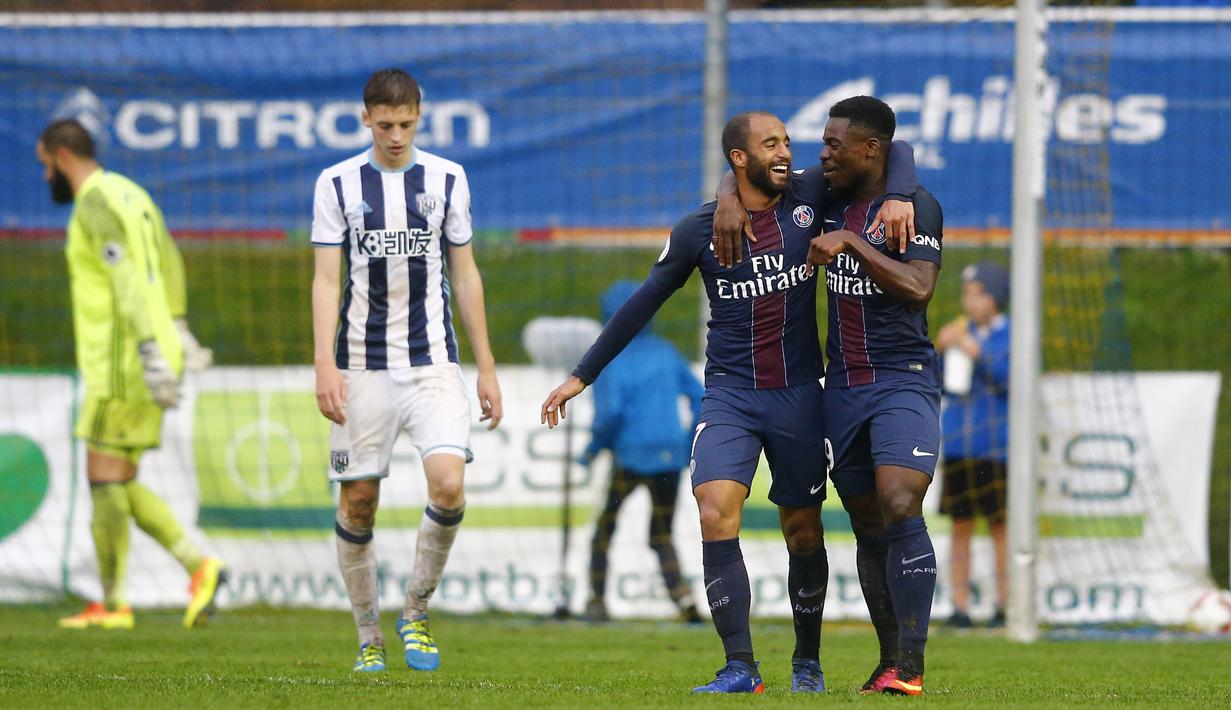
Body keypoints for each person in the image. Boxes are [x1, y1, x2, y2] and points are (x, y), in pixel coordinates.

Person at [542, 110, 916, 694]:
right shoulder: (699, 231)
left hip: (798, 397)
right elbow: (644, 300)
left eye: (788, 142)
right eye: (772, 144)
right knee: (715, 508)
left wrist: (895, 196)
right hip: (730, 396)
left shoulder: (809, 195)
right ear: (739, 159)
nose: (788, 152)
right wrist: (581, 376)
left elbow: (896, 150)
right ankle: (740, 667)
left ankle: (807, 662)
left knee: (803, 531)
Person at [714, 95, 944, 696]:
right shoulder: (828, 195)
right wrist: (726, 196)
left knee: (899, 498)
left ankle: (912, 666)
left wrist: (852, 245)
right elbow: (753, 172)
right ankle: (889, 662)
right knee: (868, 518)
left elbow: (919, 288)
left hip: (902, 376)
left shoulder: (916, 205)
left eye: (833, 144)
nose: (820, 154)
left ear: (871, 151)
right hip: (841, 385)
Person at [311, 68, 503, 673]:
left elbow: (465, 274)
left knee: (448, 483)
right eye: (385, 123)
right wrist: (324, 363)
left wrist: (486, 366)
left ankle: (415, 613)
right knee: (359, 503)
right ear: (365, 117)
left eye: (406, 123)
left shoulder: (447, 178)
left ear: (420, 116)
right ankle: (369, 636)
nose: (396, 135)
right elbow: (324, 279)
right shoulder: (337, 183)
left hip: (433, 365)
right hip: (361, 367)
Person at [36, 118, 225, 631]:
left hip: (123, 361)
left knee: (102, 477)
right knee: (119, 477)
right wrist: (177, 326)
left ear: (61, 157)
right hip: (151, 350)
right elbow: (171, 259)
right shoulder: (134, 194)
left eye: (45, 165)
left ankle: (117, 602)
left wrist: (146, 346)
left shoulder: (94, 201)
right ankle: (194, 568)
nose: (45, 176)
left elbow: (124, 276)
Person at [580, 280, 704, 625]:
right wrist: (687, 437)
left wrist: (591, 451)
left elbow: (610, 415)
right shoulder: (666, 352)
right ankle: (684, 600)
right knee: (661, 534)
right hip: (670, 458)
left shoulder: (610, 358)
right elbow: (699, 396)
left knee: (605, 529)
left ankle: (596, 601)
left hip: (630, 459)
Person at [934, 262, 1011, 629]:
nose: (968, 300)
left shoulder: (1011, 335)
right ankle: (959, 605)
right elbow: (939, 382)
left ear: (993, 298)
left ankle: (1005, 604)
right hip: (959, 448)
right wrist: (939, 349)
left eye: (975, 293)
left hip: (997, 449)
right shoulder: (958, 331)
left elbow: (1013, 379)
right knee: (960, 527)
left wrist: (977, 351)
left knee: (1001, 527)